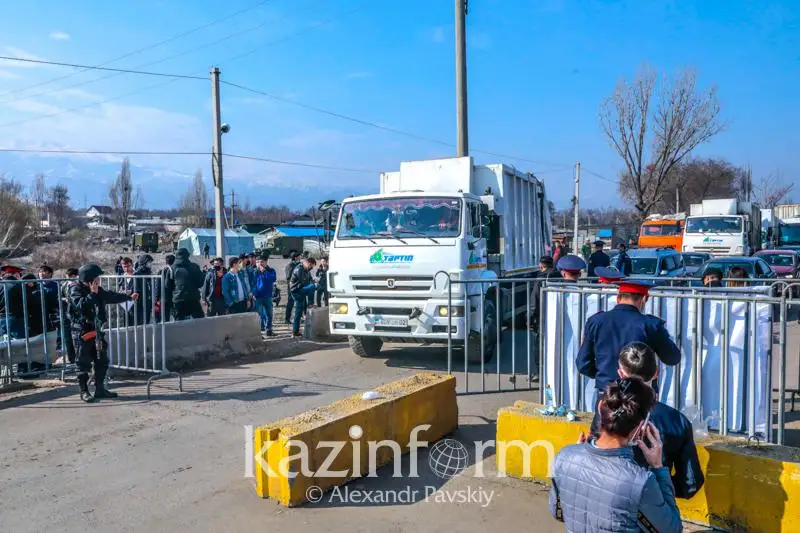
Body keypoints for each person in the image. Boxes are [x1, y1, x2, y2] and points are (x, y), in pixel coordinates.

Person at [549, 378, 682, 533]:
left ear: (600, 407)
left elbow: (558, 513)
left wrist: (575, 459)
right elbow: (672, 530)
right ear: (640, 427)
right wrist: (658, 468)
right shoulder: (640, 482)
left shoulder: (564, 458)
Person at [588, 342, 704, 499]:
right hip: (654, 505)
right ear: (656, 373)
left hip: (606, 495)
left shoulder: (606, 408)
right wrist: (659, 488)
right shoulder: (677, 421)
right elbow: (690, 484)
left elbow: (594, 450)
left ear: (620, 374)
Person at [577, 278, 682, 405]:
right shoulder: (650, 325)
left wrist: (604, 375)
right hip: (640, 396)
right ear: (643, 299)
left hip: (607, 393)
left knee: (604, 425)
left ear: (618, 298)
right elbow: (673, 358)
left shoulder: (596, 321)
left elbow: (583, 364)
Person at [69, 264, 138, 403]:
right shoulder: (75, 289)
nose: (98, 280)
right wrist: (92, 293)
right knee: (83, 362)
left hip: (97, 330)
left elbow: (110, 296)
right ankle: (84, 391)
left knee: (102, 360)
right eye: (96, 278)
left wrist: (128, 297)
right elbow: (81, 305)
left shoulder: (97, 289)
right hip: (82, 330)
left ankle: (100, 389)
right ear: (89, 279)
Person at [171, 248, 206, 320]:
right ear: (187, 255)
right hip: (193, 298)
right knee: (199, 321)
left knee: (179, 322)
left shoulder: (172, 268)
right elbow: (200, 283)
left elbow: (168, 285)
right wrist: (203, 274)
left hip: (177, 299)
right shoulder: (194, 267)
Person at [289, 256, 317, 337]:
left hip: (301, 289)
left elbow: (310, 279)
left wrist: (313, 281)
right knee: (312, 287)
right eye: (311, 266)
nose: (311, 268)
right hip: (296, 291)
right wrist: (312, 283)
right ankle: (310, 304)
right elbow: (303, 282)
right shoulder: (299, 269)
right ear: (308, 263)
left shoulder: (306, 270)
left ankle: (295, 331)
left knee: (298, 312)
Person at [252, 253, 277, 335]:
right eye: (258, 262)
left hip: (268, 296)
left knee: (269, 315)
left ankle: (269, 330)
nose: (260, 263)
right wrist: (254, 294)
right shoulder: (254, 272)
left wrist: (265, 272)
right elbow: (252, 284)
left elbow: (272, 279)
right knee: (258, 315)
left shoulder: (271, 270)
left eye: (262, 261)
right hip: (258, 297)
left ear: (266, 262)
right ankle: (258, 332)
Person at [60, 267, 79, 363]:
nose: (68, 278)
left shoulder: (79, 285)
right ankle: (71, 358)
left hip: (76, 314)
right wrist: (65, 299)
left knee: (77, 337)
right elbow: (60, 297)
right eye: (67, 276)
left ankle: (78, 357)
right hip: (66, 313)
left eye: (70, 276)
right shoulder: (64, 285)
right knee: (67, 337)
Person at [155, 254, 176, 322]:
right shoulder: (175, 271)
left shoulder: (161, 271)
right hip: (173, 297)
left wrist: (157, 298)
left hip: (163, 298)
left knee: (164, 317)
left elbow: (158, 286)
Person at [284, 251, 299, 324]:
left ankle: (298, 317)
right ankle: (287, 319)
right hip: (291, 288)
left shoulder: (298, 265)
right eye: (298, 256)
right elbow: (288, 277)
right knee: (290, 303)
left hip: (297, 287)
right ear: (295, 257)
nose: (300, 258)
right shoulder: (289, 266)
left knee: (298, 303)